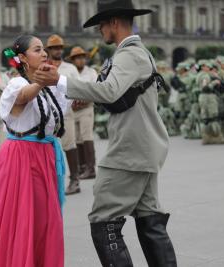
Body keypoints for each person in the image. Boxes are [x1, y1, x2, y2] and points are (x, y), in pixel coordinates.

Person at [34, 1, 177, 265]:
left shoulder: (129, 54)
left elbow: (110, 91)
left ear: (114, 22)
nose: (99, 30)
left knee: (103, 220)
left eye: (101, 24)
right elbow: (117, 93)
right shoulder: (137, 52)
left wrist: (60, 81)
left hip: (129, 153)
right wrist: (85, 94)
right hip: (144, 149)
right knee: (150, 220)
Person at [0, 35, 67, 267]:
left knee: (44, 219)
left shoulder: (51, 86)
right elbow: (23, 99)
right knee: (21, 218)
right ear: (23, 58)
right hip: (21, 157)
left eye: (44, 49)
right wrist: (41, 82)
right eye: (37, 50)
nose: (44, 53)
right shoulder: (17, 83)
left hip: (45, 156)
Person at [45, 34, 82, 195]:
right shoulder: (43, 67)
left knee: (69, 145)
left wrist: (78, 98)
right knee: (49, 148)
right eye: (54, 48)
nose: (58, 50)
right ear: (49, 50)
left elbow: (80, 86)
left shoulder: (70, 68)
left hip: (66, 111)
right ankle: (53, 181)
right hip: (47, 114)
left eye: (60, 47)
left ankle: (75, 180)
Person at [66, 46, 98, 194]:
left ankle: (91, 168)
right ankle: (82, 167)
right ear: (73, 60)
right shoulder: (71, 72)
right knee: (77, 138)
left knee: (87, 136)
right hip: (73, 109)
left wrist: (84, 101)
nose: (80, 60)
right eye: (77, 57)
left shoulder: (91, 72)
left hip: (86, 108)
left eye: (82, 57)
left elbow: (95, 89)